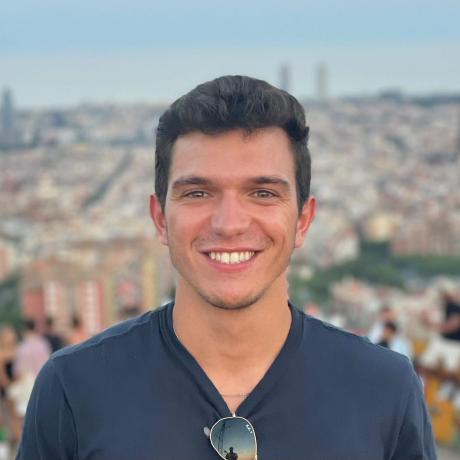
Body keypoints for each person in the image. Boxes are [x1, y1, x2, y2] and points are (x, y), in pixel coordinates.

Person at [18, 76, 436, 459]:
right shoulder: (73, 390)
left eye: (263, 193)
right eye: (198, 193)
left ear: (303, 220)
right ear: (160, 219)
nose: (229, 223)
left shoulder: (386, 390)